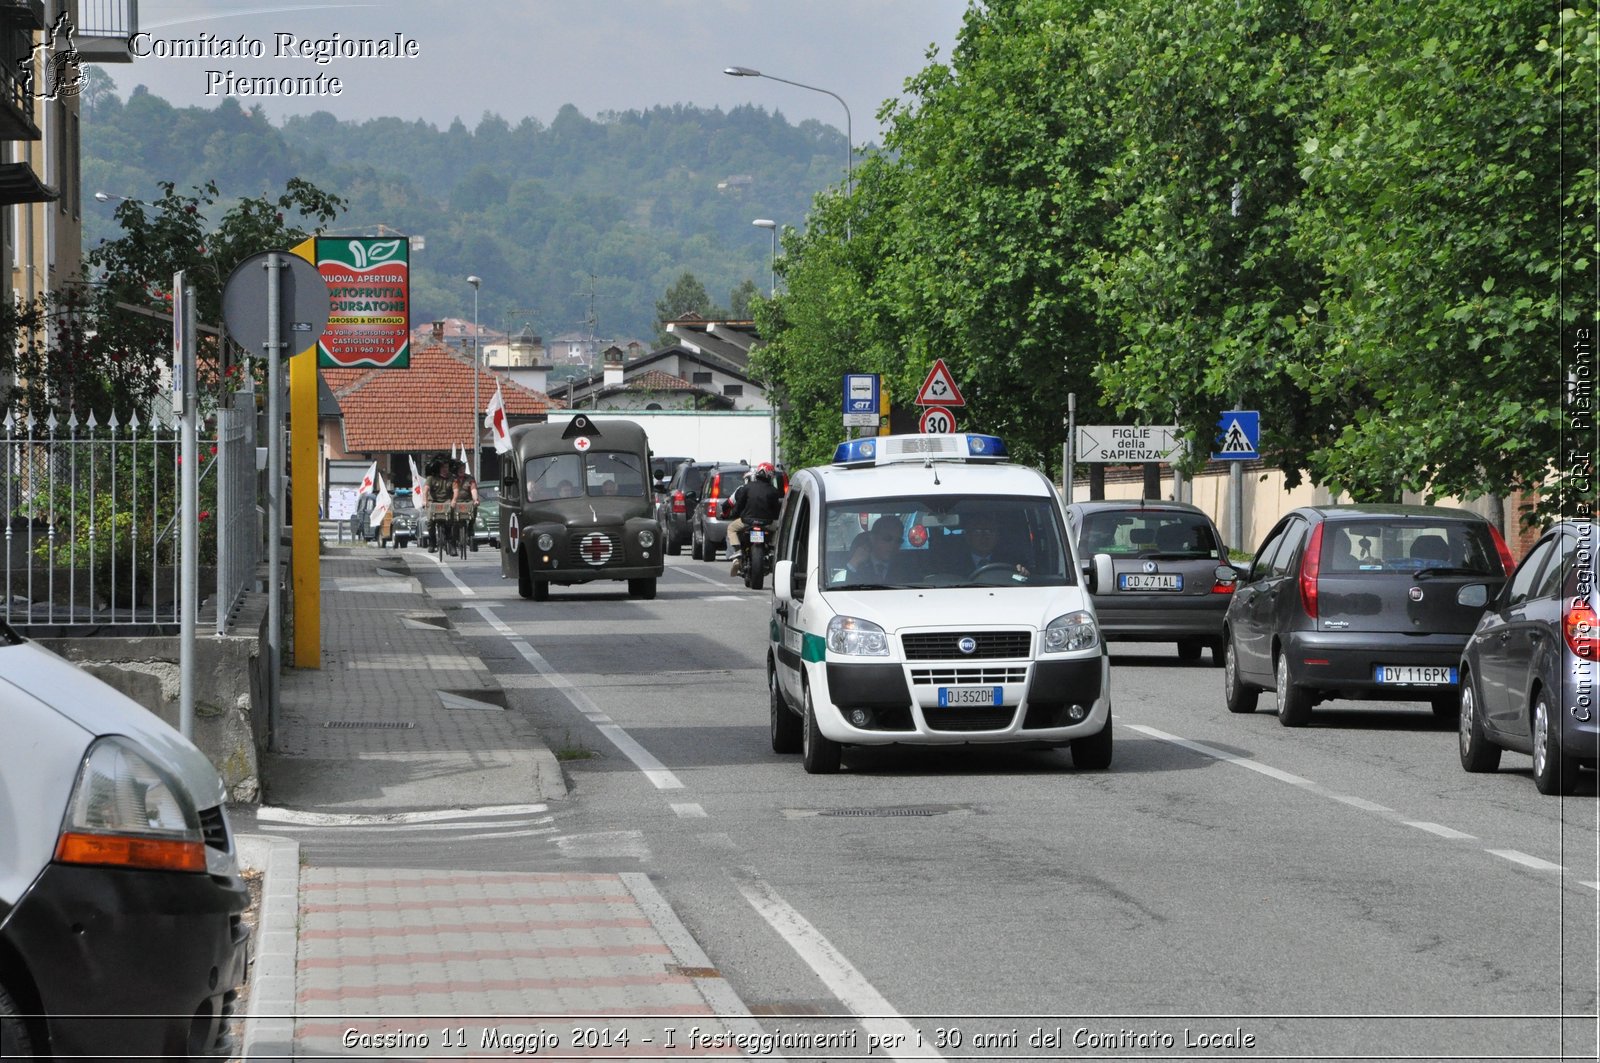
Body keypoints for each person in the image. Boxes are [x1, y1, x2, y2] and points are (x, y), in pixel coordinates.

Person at [724, 462, 783, 576]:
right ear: (770, 475)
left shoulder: (747, 488)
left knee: (731, 528)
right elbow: (776, 512)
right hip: (767, 523)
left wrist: (733, 514)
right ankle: (772, 548)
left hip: (747, 521)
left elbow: (739, 506)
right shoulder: (774, 491)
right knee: (779, 529)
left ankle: (737, 551)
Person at [953, 512, 1029, 577]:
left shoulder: (1011, 562)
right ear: (968, 537)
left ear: (997, 536)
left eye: (990, 531)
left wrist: (1023, 574)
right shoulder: (953, 564)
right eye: (978, 532)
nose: (984, 537)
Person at [844, 515, 905, 583]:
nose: (893, 544)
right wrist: (854, 563)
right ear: (873, 538)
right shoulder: (858, 565)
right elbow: (844, 590)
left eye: (898, 541)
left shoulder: (906, 567)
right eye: (887, 538)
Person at [421, 456, 459, 552]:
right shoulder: (431, 478)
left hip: (447, 501)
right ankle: (432, 542)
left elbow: (456, 490)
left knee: (451, 521)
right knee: (430, 521)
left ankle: (451, 544)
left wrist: (454, 500)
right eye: (443, 467)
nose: (445, 469)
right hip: (433, 501)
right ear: (439, 468)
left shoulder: (452, 478)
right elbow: (425, 490)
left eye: (446, 467)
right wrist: (425, 500)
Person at [452, 459, 482, 551]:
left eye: (463, 468)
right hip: (455, 502)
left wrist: (475, 499)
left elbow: (473, 490)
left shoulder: (470, 479)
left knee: (474, 507)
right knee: (453, 521)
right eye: (460, 469)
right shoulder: (452, 478)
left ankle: (470, 527)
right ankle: (452, 539)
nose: (462, 470)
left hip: (467, 501)